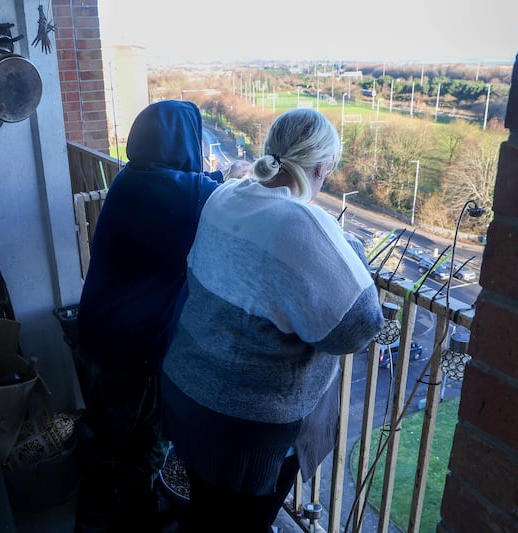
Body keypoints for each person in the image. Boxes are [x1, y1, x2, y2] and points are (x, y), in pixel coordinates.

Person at [160, 108, 384, 532]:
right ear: (322, 168)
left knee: (206, 515)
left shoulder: (226, 195)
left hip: (187, 393)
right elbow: (358, 325)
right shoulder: (299, 223)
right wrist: (344, 244)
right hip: (241, 427)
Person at [74, 100, 224, 532]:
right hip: (133, 353)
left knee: (106, 437)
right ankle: (134, 522)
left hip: (94, 336)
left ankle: (98, 508)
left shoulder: (129, 180)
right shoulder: (190, 196)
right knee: (142, 454)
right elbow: (228, 197)